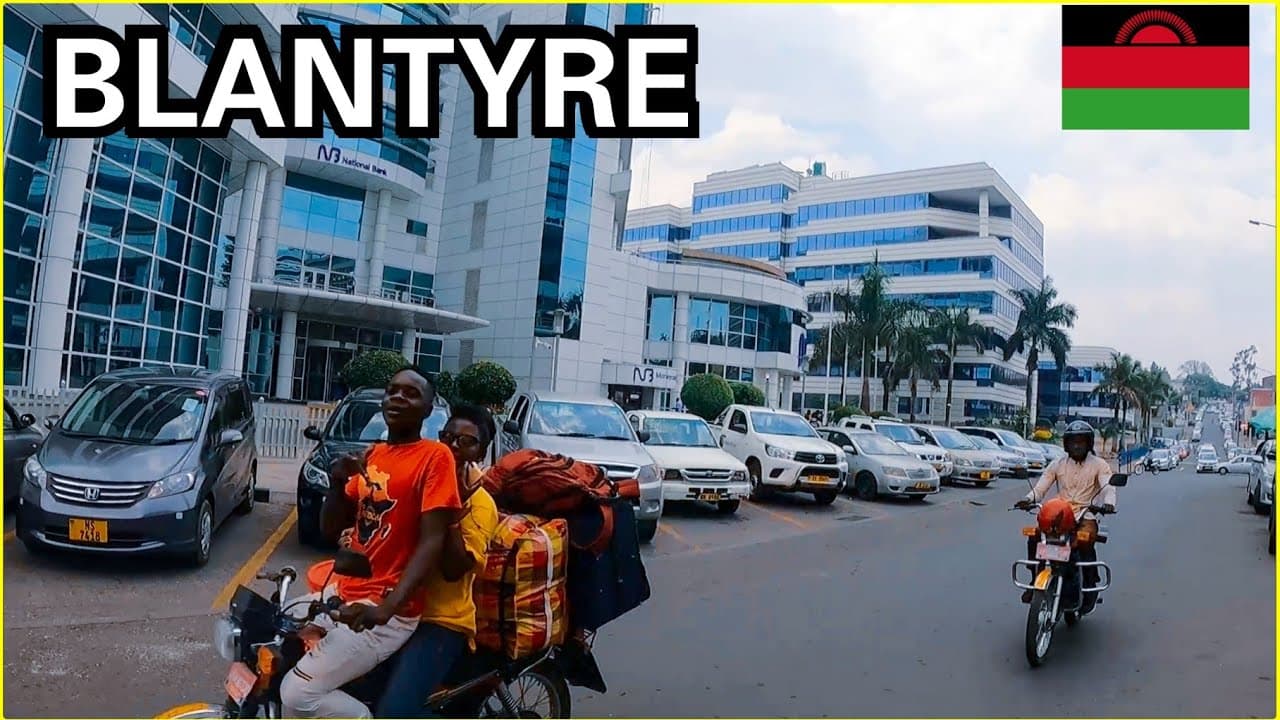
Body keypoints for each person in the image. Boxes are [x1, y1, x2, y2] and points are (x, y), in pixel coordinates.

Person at [280, 367, 461, 719]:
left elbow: (432, 541)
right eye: (393, 390)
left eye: (411, 393)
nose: (398, 397)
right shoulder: (374, 455)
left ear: (428, 409)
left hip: (386, 612)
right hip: (343, 594)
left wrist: (387, 608)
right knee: (271, 636)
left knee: (297, 693)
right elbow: (331, 529)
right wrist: (336, 483)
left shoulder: (435, 457)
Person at [377, 403, 501, 718]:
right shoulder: (424, 483)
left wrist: (453, 514)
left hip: (441, 621)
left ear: (481, 453)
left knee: (395, 712)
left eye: (466, 441)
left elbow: (454, 569)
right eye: (447, 437)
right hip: (398, 607)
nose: (453, 446)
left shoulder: (481, 504)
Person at [1014, 420, 1116, 612]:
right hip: (1060, 513)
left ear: (1088, 443)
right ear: (1066, 444)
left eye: (1081, 441)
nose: (1077, 445)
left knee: (1085, 540)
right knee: (1035, 536)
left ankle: (1089, 584)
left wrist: (1109, 503)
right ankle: (1035, 578)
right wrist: (1028, 499)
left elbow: (1107, 486)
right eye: (1073, 441)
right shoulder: (1057, 464)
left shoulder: (1099, 465)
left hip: (1085, 513)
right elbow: (1040, 488)